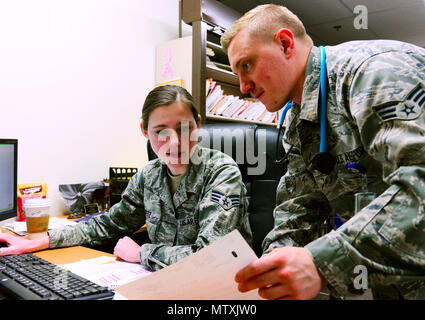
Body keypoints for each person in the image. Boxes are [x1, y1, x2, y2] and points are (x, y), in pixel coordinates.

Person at [221, 4, 425, 300]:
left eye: (247, 65)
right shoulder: (299, 121)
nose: (243, 87)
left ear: (285, 44)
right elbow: (299, 207)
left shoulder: (375, 71)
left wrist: (321, 262)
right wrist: (270, 275)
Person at [0, 85, 252, 271]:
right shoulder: (149, 175)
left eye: (183, 128)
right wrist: (41, 241)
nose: (174, 143)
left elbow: (209, 257)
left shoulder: (221, 171)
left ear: (198, 124)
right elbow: (109, 224)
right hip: (162, 283)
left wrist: (142, 252)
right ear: (144, 131)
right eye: (160, 131)